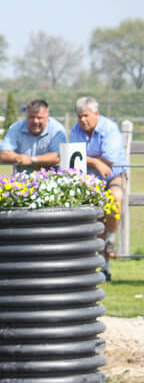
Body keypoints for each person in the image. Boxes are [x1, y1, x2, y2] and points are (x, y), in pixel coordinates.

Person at [70, 96, 129, 273]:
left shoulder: (109, 128)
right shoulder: (76, 130)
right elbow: (73, 155)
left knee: (115, 197)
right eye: (79, 116)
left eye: (86, 115)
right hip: (88, 178)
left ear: (96, 113)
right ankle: (91, 265)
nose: (82, 120)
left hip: (113, 176)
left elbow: (109, 159)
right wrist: (95, 162)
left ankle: (110, 239)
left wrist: (86, 159)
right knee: (88, 214)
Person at [0, 99, 65, 171]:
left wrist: (32, 160)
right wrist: (19, 158)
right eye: (32, 117)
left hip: (50, 176)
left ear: (48, 117)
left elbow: (57, 156)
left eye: (39, 118)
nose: (35, 121)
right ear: (26, 116)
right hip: (21, 176)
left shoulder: (57, 130)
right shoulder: (16, 128)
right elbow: (3, 154)